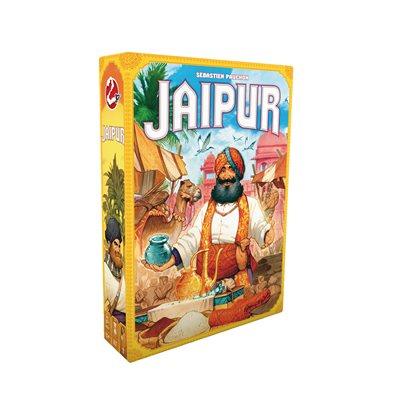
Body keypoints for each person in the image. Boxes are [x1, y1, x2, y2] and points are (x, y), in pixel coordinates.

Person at [144, 147, 274, 286]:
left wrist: (266, 233)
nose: (227, 176)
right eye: (222, 170)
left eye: (231, 169)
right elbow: (194, 237)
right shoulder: (207, 208)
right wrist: (173, 258)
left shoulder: (250, 204)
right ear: (217, 175)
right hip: (206, 277)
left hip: (237, 273)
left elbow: (258, 225)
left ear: (238, 173)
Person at [104, 218, 125, 320]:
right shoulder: (104, 269)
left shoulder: (121, 268)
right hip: (117, 322)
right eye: (115, 244)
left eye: (119, 246)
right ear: (109, 243)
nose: (118, 250)